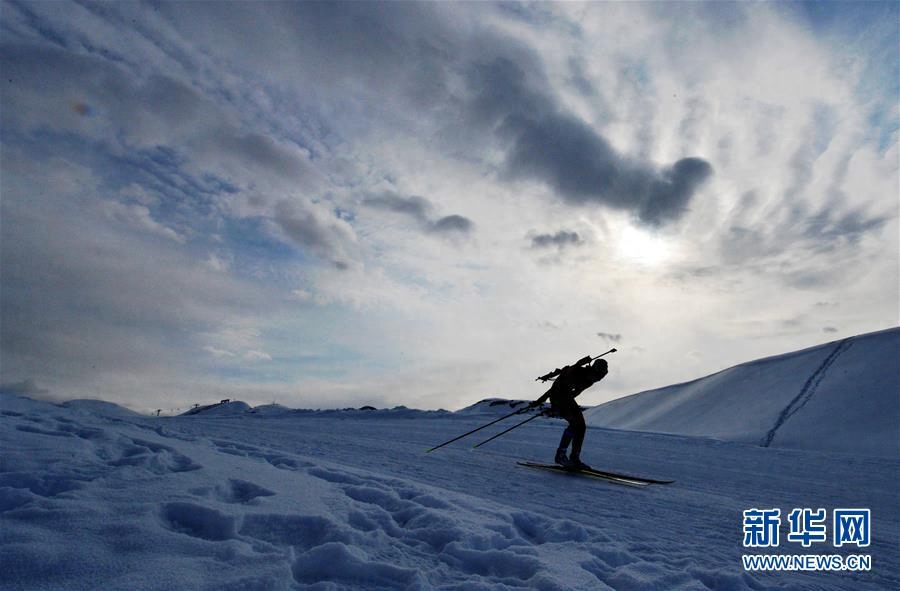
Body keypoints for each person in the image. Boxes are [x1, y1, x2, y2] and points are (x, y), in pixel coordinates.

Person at [530, 358, 608, 470]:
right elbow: (557, 385)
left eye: (601, 377)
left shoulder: (590, 380)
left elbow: (576, 392)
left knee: (580, 426)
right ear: (594, 370)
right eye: (598, 375)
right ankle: (561, 456)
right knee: (577, 425)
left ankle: (574, 458)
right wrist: (540, 401)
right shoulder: (577, 372)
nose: (598, 379)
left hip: (566, 399)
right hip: (559, 398)